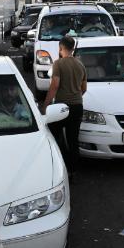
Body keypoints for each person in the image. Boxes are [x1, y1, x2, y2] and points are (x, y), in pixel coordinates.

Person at [40, 36, 86, 180]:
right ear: (72, 48)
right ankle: (73, 172)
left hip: (61, 108)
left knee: (54, 137)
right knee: (73, 140)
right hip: (77, 106)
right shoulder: (80, 65)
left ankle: (59, 169)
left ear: (61, 48)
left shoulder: (58, 64)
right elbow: (83, 88)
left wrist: (45, 105)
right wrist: (75, 95)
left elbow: (54, 86)